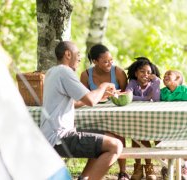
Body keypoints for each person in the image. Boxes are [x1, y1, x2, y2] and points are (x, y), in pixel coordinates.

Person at [40, 41, 123, 180]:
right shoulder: (65, 71)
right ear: (68, 54)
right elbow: (90, 101)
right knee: (115, 146)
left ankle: (84, 177)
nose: (80, 58)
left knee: (111, 136)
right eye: (78, 54)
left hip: (55, 134)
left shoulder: (52, 72)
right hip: (60, 137)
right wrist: (103, 86)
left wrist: (100, 95)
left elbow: (73, 102)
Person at [80, 44, 129, 180]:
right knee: (95, 136)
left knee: (119, 133)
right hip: (95, 114)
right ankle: (91, 173)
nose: (110, 64)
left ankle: (123, 172)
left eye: (111, 60)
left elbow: (125, 94)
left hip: (116, 113)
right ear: (95, 61)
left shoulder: (118, 72)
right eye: (105, 61)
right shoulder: (86, 75)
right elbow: (83, 97)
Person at [125, 57, 161, 180]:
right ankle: (138, 167)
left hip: (151, 119)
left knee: (147, 139)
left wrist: (156, 82)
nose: (145, 74)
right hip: (135, 118)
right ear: (136, 73)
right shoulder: (133, 83)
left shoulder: (153, 84)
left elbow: (156, 99)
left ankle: (149, 166)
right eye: (142, 71)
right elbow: (128, 96)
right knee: (137, 138)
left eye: (149, 72)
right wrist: (145, 99)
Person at [160, 70, 187, 180]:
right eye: (164, 75)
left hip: (183, 123)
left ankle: (185, 167)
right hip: (167, 123)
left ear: (177, 79)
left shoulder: (184, 90)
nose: (165, 76)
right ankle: (165, 167)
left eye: (168, 75)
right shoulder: (162, 92)